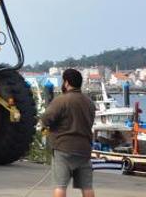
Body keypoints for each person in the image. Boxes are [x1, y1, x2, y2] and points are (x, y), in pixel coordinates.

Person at [41, 69, 96, 197]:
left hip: (63, 148)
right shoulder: (89, 103)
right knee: (87, 187)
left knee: (60, 186)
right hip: (84, 149)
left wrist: (47, 130)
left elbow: (46, 119)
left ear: (66, 83)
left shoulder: (61, 100)